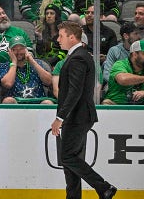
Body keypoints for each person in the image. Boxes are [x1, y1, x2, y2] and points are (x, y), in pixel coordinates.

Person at [51, 21, 117, 199]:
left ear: (72, 37)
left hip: (77, 116)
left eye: (61, 36)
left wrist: (60, 117)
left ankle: (103, 187)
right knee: (71, 159)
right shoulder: (79, 55)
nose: (58, 39)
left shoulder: (78, 57)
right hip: (78, 116)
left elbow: (75, 91)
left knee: (67, 157)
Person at [0, 36, 54, 104]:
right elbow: (8, 84)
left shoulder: (38, 63)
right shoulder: (4, 66)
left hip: (38, 103)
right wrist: (14, 62)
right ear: (10, 52)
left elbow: (49, 81)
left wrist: (32, 62)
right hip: (16, 104)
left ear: (26, 50)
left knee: (48, 102)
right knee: (8, 101)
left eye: (21, 49)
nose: (18, 52)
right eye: (14, 49)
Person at [103, 39, 144, 105]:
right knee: (107, 103)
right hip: (116, 104)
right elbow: (123, 79)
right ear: (135, 54)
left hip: (141, 107)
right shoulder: (120, 64)